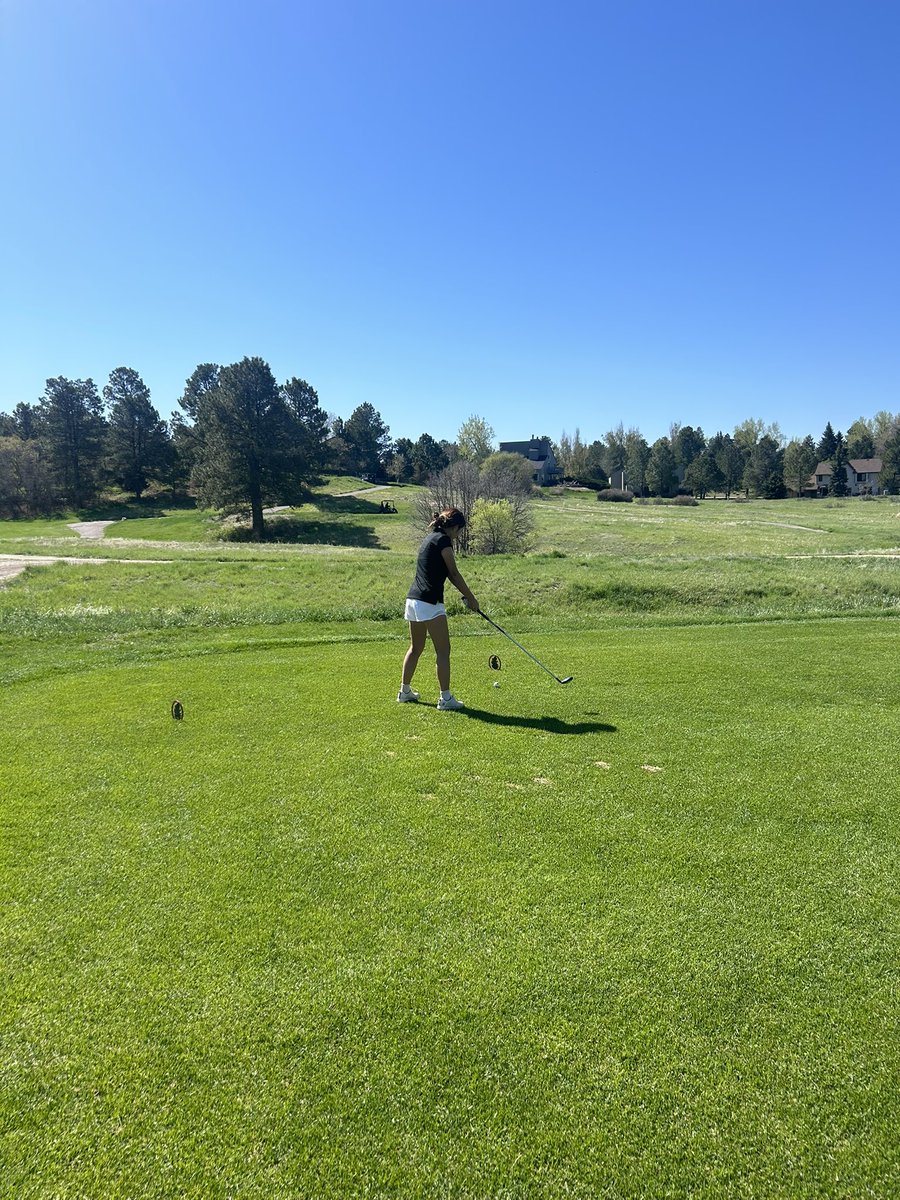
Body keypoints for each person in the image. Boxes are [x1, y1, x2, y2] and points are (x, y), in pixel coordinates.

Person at [399, 507, 479, 710]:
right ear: (454, 527)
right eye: (459, 530)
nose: (459, 535)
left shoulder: (429, 538)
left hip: (413, 600)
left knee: (416, 648)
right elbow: (453, 573)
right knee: (443, 651)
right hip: (429, 602)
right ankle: (445, 699)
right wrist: (471, 598)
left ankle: (405, 692)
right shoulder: (444, 541)